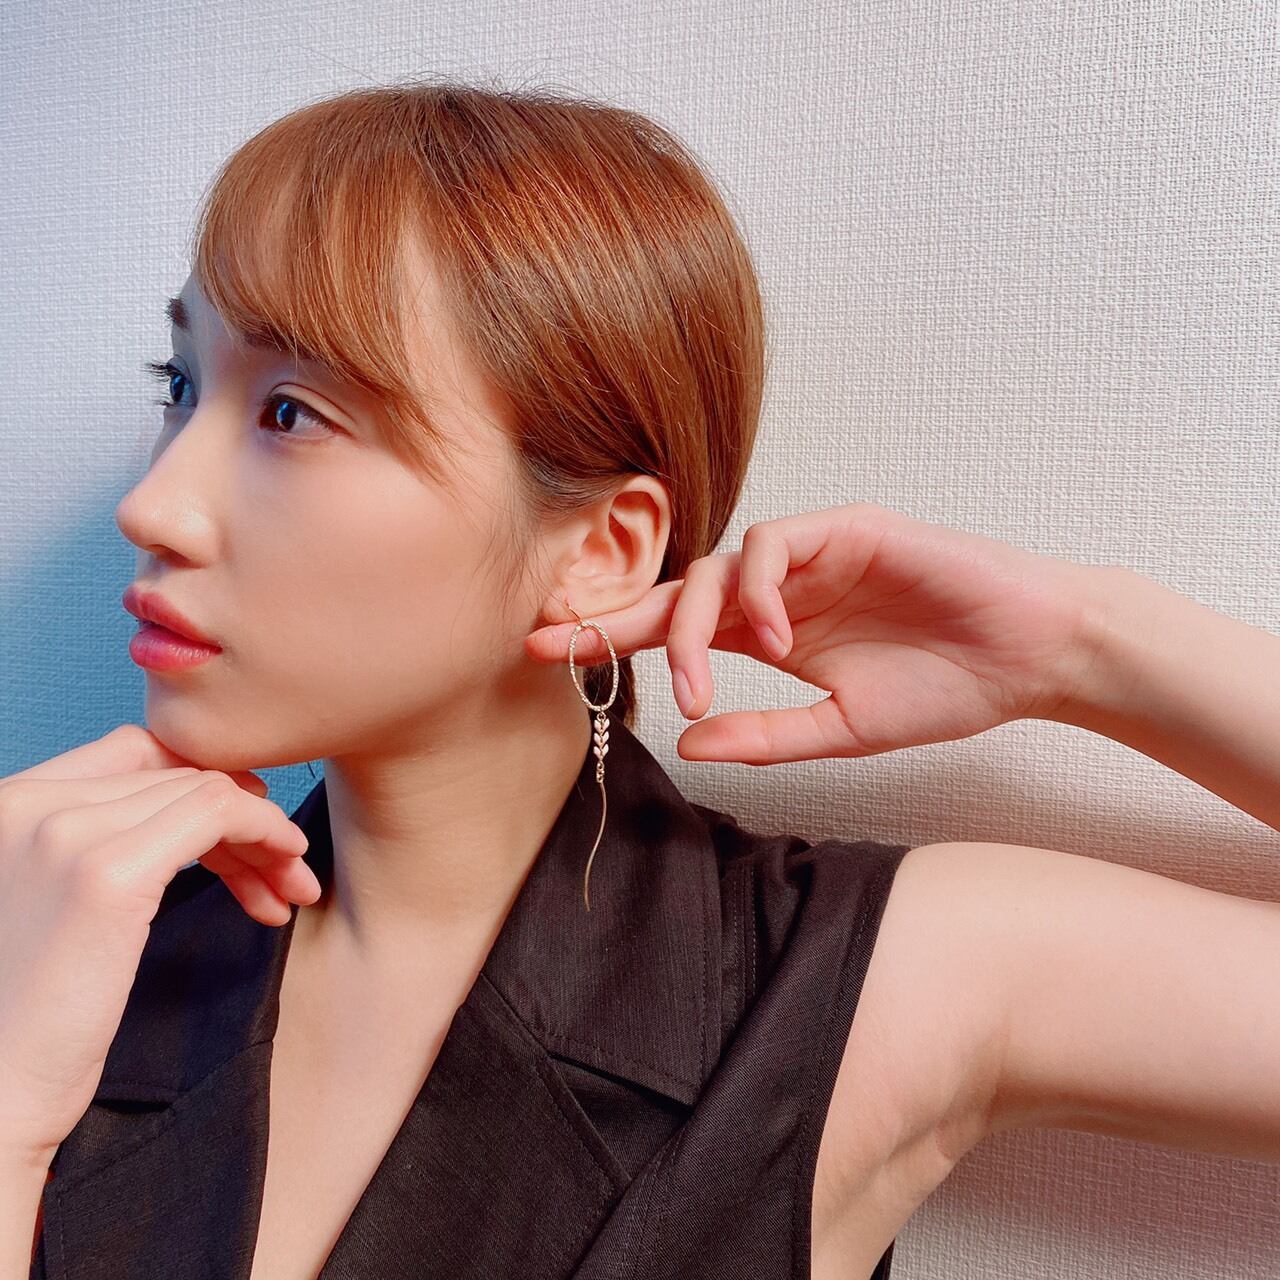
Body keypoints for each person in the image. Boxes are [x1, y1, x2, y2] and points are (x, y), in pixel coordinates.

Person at [2, 78, 1278, 1280]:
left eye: (293, 411)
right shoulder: (66, 939)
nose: (152, 503)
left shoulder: (848, 982)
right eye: (181, 384)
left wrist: (1083, 646)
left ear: (602, 551)